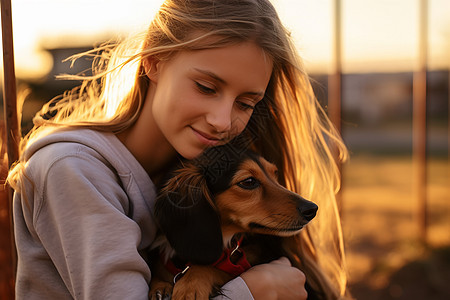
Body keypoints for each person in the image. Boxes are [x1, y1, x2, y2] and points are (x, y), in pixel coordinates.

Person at [8, 0, 350, 299]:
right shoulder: (73, 169)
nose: (221, 120)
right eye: (206, 87)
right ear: (154, 61)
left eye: (245, 103)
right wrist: (251, 293)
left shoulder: (198, 166)